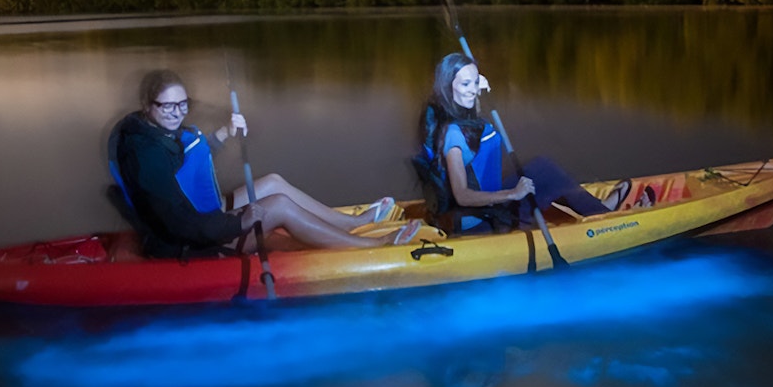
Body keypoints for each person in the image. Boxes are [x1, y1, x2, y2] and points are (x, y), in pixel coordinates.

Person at [110, 69, 419, 258]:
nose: (178, 113)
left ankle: (351, 224)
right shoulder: (144, 154)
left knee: (272, 182)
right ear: (146, 105)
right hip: (187, 242)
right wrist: (239, 222)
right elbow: (179, 221)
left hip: (202, 215)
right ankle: (371, 248)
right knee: (279, 206)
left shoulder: (153, 131)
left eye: (183, 104)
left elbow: (186, 166)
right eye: (168, 106)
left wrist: (223, 134)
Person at [416, 53, 650, 233]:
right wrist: (512, 194)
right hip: (480, 220)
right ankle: (605, 216)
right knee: (545, 174)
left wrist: (476, 91)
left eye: (475, 82)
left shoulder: (457, 116)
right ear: (448, 87)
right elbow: (462, 196)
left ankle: (599, 209)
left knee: (542, 169)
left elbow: (476, 129)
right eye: (465, 84)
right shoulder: (452, 135)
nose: (472, 90)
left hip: (486, 204)